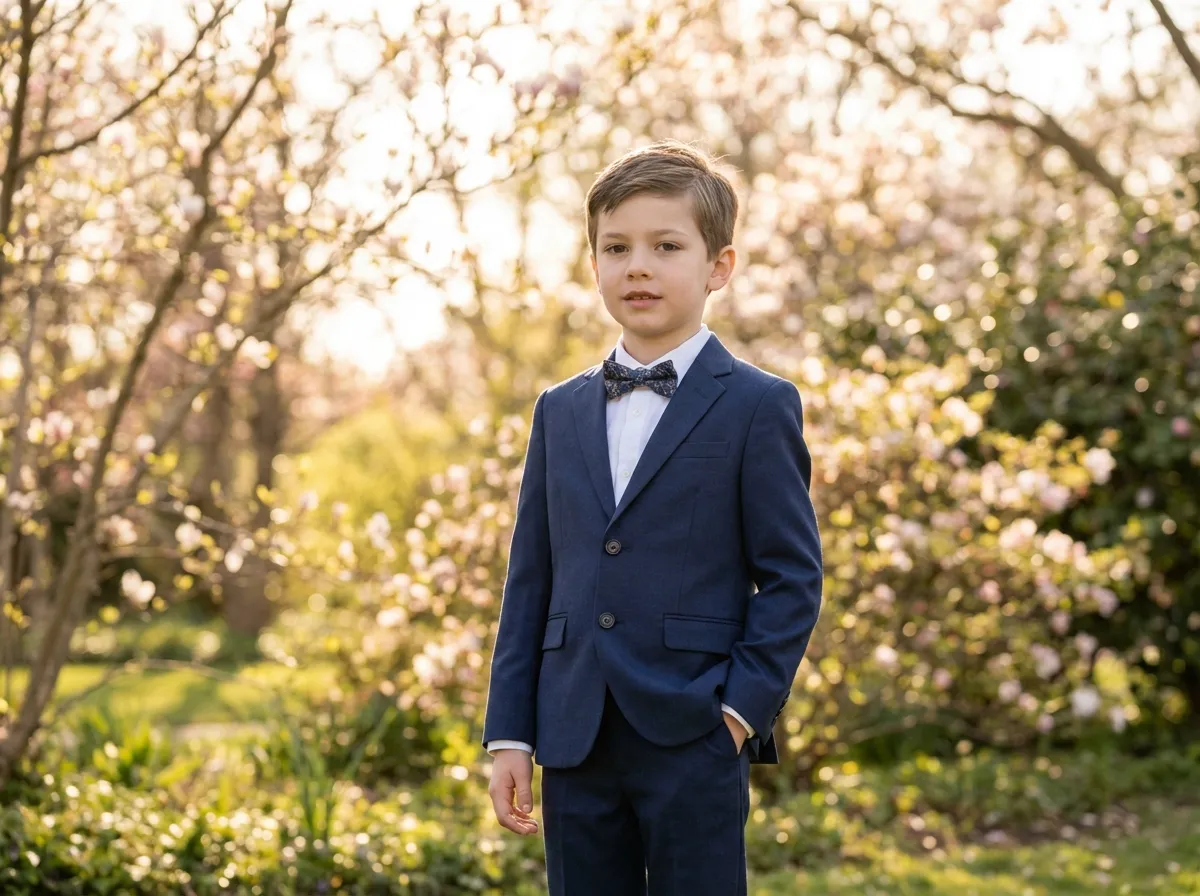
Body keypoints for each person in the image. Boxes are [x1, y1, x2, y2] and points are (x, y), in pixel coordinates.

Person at [482, 139, 823, 895]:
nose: (638, 265)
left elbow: (793, 578)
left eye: (666, 246)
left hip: (694, 728)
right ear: (594, 263)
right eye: (617, 247)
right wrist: (511, 731)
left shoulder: (758, 405)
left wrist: (738, 713)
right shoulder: (559, 410)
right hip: (573, 732)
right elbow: (531, 578)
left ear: (718, 267)